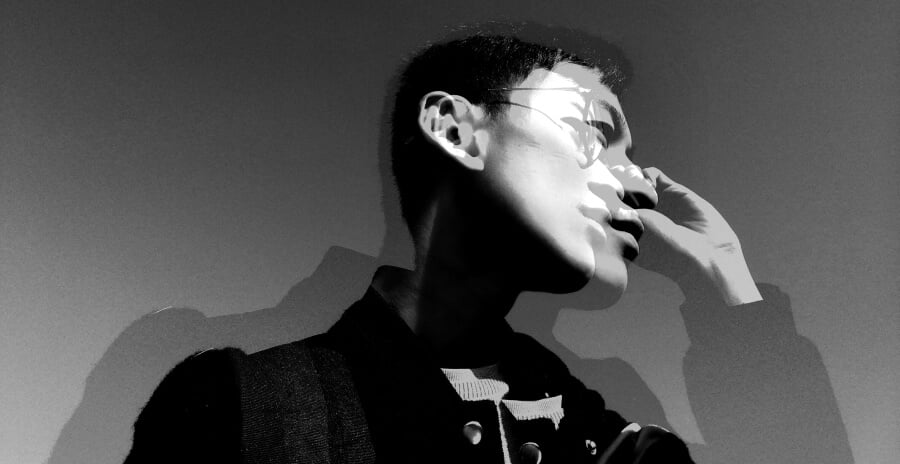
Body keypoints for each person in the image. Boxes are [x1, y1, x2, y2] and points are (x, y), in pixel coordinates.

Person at [124, 23, 766, 464]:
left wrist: (723, 278)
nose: (642, 182)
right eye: (595, 134)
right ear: (455, 130)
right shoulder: (240, 404)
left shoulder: (602, 426)